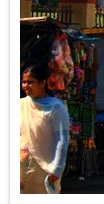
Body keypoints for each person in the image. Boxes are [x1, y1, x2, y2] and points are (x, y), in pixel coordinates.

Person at [20, 62, 70, 194]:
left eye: (30, 82)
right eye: (24, 82)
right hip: (21, 170)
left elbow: (61, 141)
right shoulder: (20, 105)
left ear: (42, 83)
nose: (26, 86)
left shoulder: (55, 108)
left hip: (44, 171)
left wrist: (57, 170)